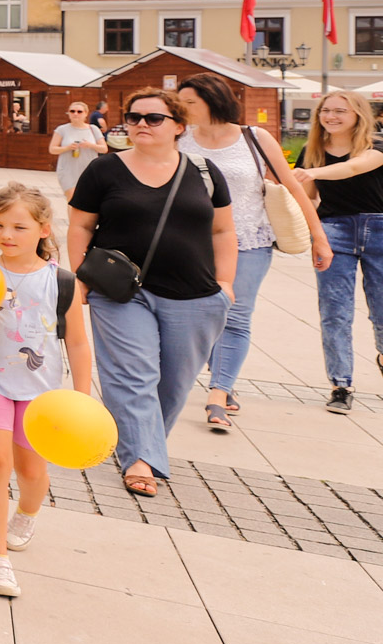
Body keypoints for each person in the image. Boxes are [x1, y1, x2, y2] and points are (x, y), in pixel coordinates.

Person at [68, 89, 235, 498]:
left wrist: (227, 285)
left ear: (179, 127)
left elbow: (224, 231)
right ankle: (140, 460)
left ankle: (140, 442)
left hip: (195, 295)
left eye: (154, 118)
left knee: (174, 385)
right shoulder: (104, 170)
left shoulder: (205, 171)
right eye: (134, 116)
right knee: (132, 376)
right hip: (121, 292)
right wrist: (79, 277)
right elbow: (80, 227)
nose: (141, 123)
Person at [0, 183, 92, 599]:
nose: (7, 235)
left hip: (41, 393)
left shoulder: (61, 282)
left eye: (19, 227)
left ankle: (26, 513)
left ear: (44, 230)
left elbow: (77, 343)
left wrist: (81, 396)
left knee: (31, 471)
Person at [178, 74, 331, 429]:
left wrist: (318, 236)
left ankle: (219, 391)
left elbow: (292, 186)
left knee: (236, 315)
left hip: (249, 241)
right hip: (190, 243)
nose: (181, 109)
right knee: (203, 316)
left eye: (189, 103)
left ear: (213, 100)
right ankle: (222, 375)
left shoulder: (254, 137)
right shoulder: (180, 138)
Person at [292, 90, 383, 414]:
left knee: (381, 312)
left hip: (380, 231)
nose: (330, 116)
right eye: (325, 111)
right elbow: (308, 196)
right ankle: (340, 385)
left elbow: (352, 169)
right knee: (335, 313)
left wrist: (311, 173)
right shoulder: (312, 151)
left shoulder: (376, 147)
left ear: (357, 114)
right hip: (334, 232)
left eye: (340, 111)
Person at [49, 100, 109, 201]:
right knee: (72, 198)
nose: (75, 114)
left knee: (86, 200)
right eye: (72, 111)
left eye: (79, 111)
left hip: (88, 170)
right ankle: (71, 217)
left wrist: (90, 145)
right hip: (67, 170)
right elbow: (52, 149)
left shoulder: (93, 129)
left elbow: (104, 149)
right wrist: (67, 148)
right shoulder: (62, 129)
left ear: (86, 113)